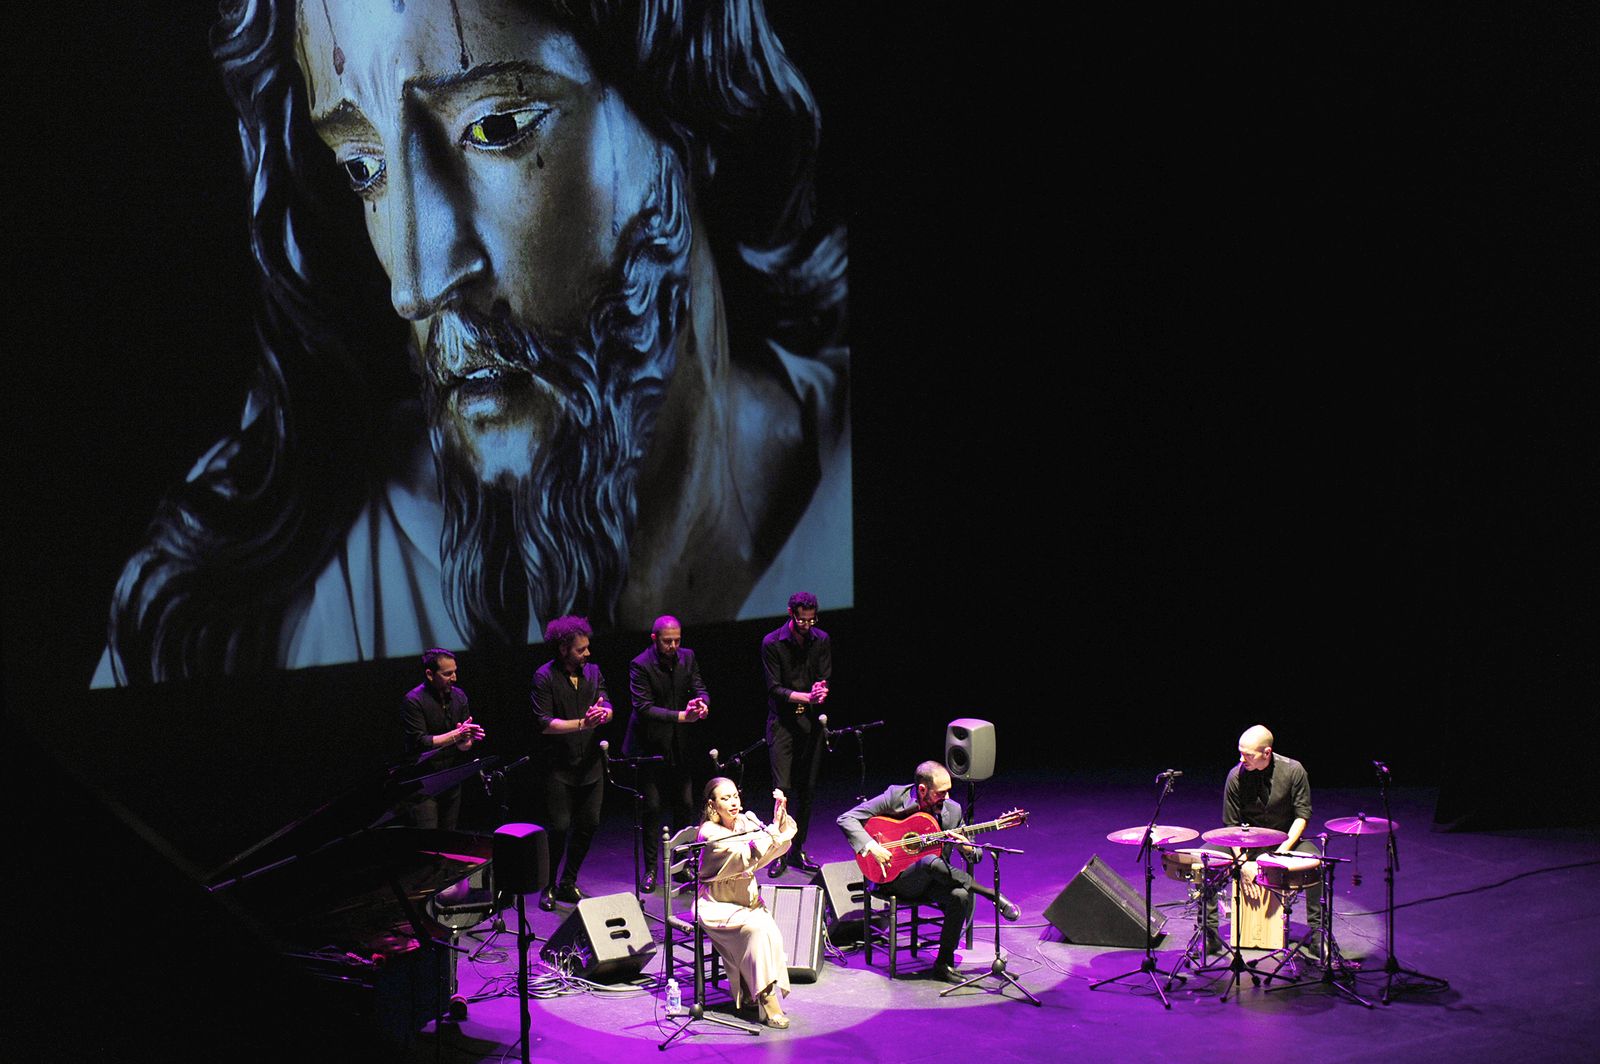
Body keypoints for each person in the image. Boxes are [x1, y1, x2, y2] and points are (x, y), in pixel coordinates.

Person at [94, 0, 850, 687]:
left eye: (495, 128)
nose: (418, 283)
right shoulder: (271, 586)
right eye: (365, 168)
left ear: (690, 109)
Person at [837, 761, 1020, 983]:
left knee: (960, 896)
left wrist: (966, 848)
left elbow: (977, 856)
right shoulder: (896, 796)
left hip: (933, 878)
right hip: (893, 878)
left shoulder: (952, 810)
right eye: (941, 792)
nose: (947, 796)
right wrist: (872, 846)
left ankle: (943, 964)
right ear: (923, 790)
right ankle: (991, 894)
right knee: (929, 861)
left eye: (949, 790)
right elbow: (846, 818)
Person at [1204, 725, 1323, 951]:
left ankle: (1317, 933)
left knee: (1317, 863)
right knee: (1208, 860)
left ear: (1266, 753)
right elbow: (1231, 825)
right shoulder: (1236, 776)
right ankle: (1210, 935)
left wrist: (1284, 849)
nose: (1242, 758)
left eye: (1248, 754)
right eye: (1240, 752)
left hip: (1285, 841)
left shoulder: (1294, 770)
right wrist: (1243, 863)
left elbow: (1302, 815)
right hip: (1245, 843)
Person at [697, 777, 795, 1028]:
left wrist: (779, 820)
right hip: (716, 904)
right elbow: (746, 852)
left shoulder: (746, 820)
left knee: (768, 927)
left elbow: (775, 846)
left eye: (735, 797)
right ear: (712, 805)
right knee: (757, 929)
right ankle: (767, 997)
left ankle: (753, 988)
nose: (733, 802)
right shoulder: (709, 831)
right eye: (725, 798)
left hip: (747, 901)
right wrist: (771, 830)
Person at [530, 616, 613, 910]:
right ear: (564, 649)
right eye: (581, 649)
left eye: (587, 648)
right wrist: (582, 723)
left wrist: (605, 713)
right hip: (559, 768)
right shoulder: (544, 677)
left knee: (589, 824)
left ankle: (568, 881)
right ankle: (548, 885)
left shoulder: (593, 672)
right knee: (560, 827)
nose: (587, 653)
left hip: (590, 764)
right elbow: (544, 723)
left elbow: (607, 703)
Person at [626, 615, 711, 891]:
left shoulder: (688, 657)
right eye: (667, 641)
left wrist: (702, 705)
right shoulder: (640, 665)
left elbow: (699, 687)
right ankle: (651, 870)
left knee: (685, 804)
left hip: (679, 745)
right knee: (652, 808)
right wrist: (681, 716)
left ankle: (681, 865)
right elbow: (644, 708)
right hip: (649, 747)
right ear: (654, 639)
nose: (673, 646)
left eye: (677, 640)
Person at [761, 592, 831, 875]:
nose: (807, 624)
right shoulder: (772, 643)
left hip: (811, 725)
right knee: (783, 793)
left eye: (811, 619)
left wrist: (821, 691)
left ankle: (797, 850)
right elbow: (774, 688)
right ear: (791, 614)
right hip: (783, 725)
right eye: (802, 619)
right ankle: (778, 852)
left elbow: (824, 677)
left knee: (808, 791)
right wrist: (806, 696)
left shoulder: (821, 639)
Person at [400, 648, 486, 830]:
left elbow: (464, 745)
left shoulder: (459, 696)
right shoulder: (413, 700)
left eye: (455, 671)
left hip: (450, 779)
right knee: (428, 841)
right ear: (430, 674)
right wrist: (458, 735)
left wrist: (466, 740)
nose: (454, 678)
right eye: (447, 674)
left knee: (449, 838)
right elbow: (420, 742)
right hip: (423, 785)